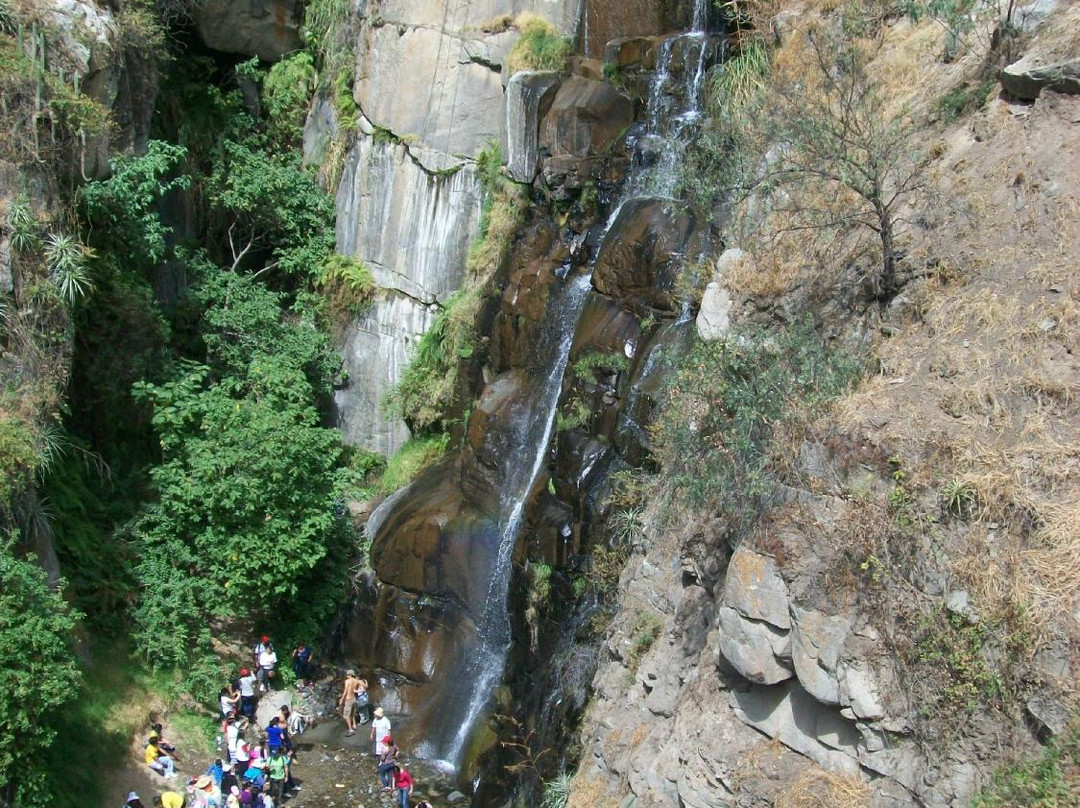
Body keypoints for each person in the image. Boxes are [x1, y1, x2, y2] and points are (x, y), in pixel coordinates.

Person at [338, 670, 361, 735]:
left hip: (348, 699)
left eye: (347, 674)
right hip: (354, 698)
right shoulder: (356, 681)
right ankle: (354, 725)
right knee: (352, 713)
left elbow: (345, 690)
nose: (347, 676)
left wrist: (342, 699)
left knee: (346, 716)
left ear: (350, 675)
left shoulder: (347, 681)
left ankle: (350, 730)